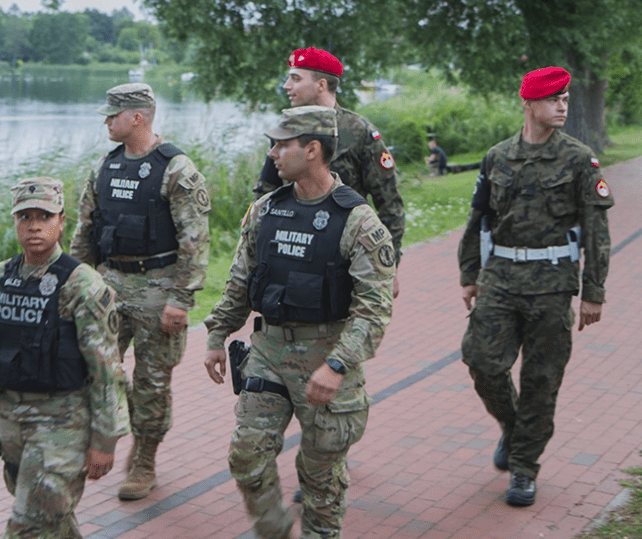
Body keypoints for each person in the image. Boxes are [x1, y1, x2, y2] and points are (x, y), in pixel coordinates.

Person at [204, 105, 395, 539]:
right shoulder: (265, 211)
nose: (271, 153)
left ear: (312, 150)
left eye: (280, 144)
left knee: (320, 479)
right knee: (246, 457)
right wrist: (218, 332)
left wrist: (338, 364)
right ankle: (272, 529)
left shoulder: (358, 221)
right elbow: (240, 280)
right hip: (268, 352)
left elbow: (374, 309)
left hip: (326, 359)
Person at [0, 176, 129, 538]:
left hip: (63, 427)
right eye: (25, 216)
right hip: (11, 426)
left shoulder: (82, 285)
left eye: (44, 216)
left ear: (61, 221)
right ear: (15, 221)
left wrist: (104, 440)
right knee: (52, 520)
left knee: (28, 526)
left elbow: (106, 370)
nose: (34, 225)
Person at [457, 66, 614, 507]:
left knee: (542, 380)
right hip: (501, 279)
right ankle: (515, 428)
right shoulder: (497, 157)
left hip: (552, 286)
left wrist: (593, 291)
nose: (562, 105)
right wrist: (470, 274)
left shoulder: (580, 158)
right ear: (529, 104)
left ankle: (524, 468)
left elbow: (596, 229)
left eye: (565, 98)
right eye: (553, 99)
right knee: (482, 362)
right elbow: (479, 219)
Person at [69, 82, 211, 501]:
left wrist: (180, 299)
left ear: (137, 117)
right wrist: (73, 284)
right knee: (93, 367)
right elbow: (85, 232)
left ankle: (144, 460)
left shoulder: (177, 169)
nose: (106, 122)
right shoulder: (105, 167)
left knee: (151, 381)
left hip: (157, 291)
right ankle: (107, 431)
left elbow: (195, 240)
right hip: (108, 288)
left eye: (112, 115)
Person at [256, 47, 405, 299]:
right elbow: (265, 195)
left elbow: (390, 206)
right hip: (291, 254)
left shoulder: (359, 132)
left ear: (321, 85)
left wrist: (389, 265)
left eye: (295, 78)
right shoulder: (287, 132)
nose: (286, 86)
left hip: (344, 260)